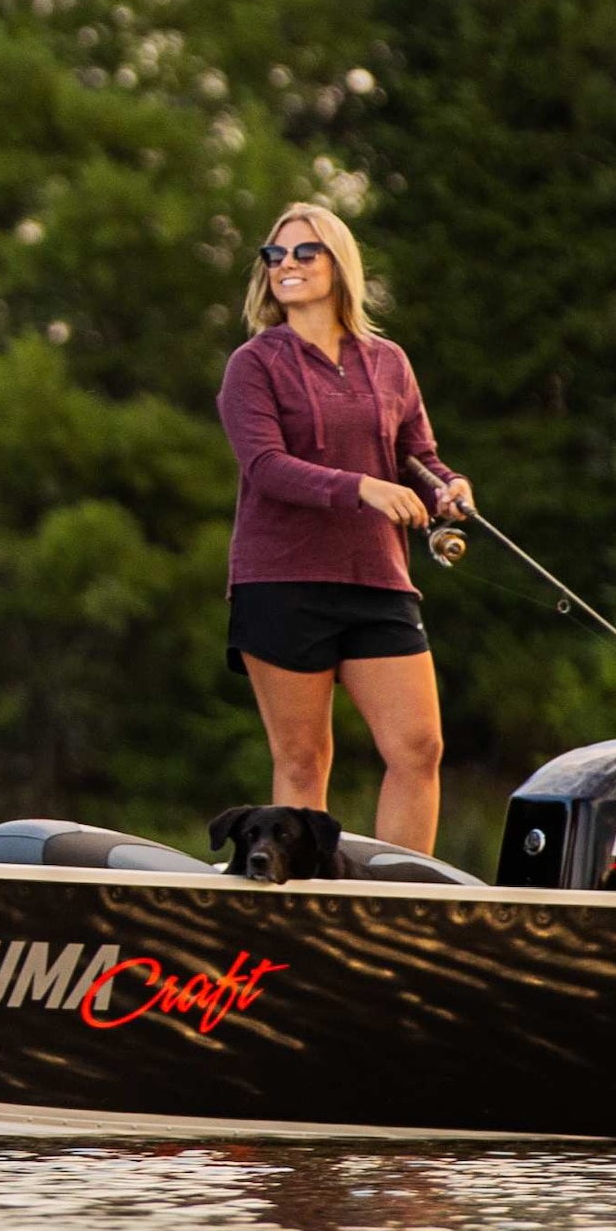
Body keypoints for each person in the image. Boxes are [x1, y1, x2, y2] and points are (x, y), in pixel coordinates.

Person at [218, 201, 474, 854]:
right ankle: (305, 919)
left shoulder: (388, 362)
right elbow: (266, 466)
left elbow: (419, 457)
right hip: (281, 582)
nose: (287, 265)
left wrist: (446, 487)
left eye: (305, 252)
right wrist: (361, 487)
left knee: (419, 746)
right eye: (275, 255)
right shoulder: (254, 364)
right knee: (303, 760)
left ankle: (399, 910)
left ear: (340, 264)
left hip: (377, 580)